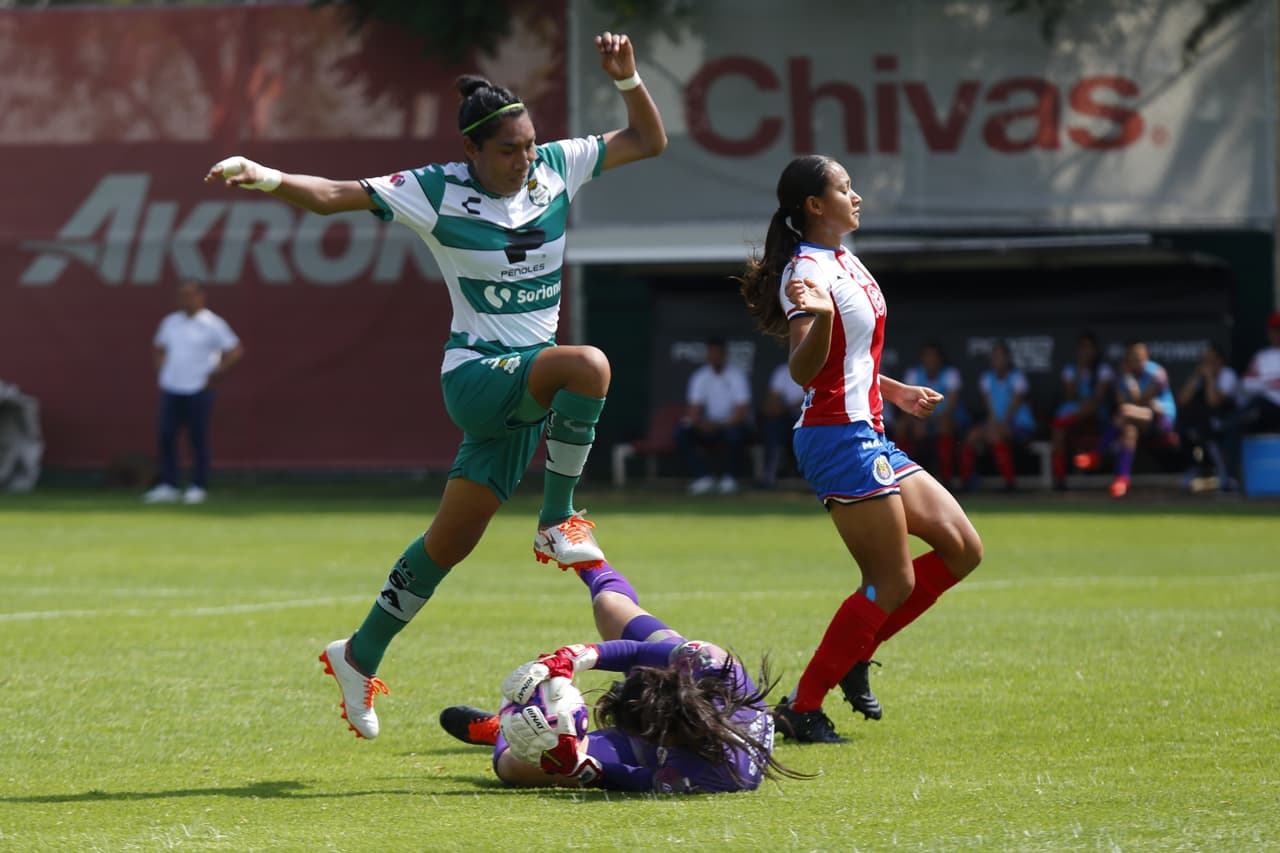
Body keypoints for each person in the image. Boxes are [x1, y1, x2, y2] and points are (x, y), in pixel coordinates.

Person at [205, 32, 667, 740]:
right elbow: (334, 196)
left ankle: (358, 654)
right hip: (480, 377)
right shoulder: (435, 188)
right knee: (591, 365)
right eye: (508, 150)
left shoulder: (554, 168)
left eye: (529, 144)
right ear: (473, 154)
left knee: (448, 543)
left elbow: (648, 140)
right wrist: (264, 174)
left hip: (524, 396)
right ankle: (558, 517)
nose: (524, 159)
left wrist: (629, 78)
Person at [736, 154, 983, 742]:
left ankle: (850, 656)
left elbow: (852, 358)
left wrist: (893, 391)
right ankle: (803, 705)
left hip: (866, 428)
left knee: (962, 549)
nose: (858, 196)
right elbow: (803, 370)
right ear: (816, 206)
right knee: (889, 581)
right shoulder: (807, 273)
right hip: (836, 436)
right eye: (846, 188)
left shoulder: (844, 259)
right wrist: (816, 318)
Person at [437, 561, 806, 793]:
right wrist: (574, 658)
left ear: (661, 737)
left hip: (660, 753)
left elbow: (626, 778)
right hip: (681, 685)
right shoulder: (710, 663)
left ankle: (507, 727)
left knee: (513, 768)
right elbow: (637, 651)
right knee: (610, 606)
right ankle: (581, 550)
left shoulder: (702, 775)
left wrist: (579, 766)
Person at [142, 279, 243, 505]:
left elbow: (234, 350)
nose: (184, 299)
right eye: (181, 295)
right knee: (166, 436)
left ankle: (198, 486)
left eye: (189, 295)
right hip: (171, 388)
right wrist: (162, 370)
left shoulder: (213, 323)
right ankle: (168, 485)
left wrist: (215, 374)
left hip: (198, 389)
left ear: (200, 296)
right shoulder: (170, 322)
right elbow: (159, 348)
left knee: (198, 439)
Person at [673, 336, 753, 495]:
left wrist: (720, 425)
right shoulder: (700, 377)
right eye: (712, 353)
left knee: (735, 434)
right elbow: (694, 410)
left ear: (724, 355)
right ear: (708, 355)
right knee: (682, 433)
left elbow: (742, 411)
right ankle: (703, 478)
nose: (715, 357)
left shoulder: (736, 375)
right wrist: (702, 424)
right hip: (708, 426)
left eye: (719, 353)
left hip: (730, 425)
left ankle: (730, 479)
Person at [959, 340, 1036, 492]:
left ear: (1008, 359)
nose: (998, 360)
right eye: (995, 357)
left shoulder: (1017, 378)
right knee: (972, 436)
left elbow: (1012, 409)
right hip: (995, 426)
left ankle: (1010, 483)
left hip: (1020, 426)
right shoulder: (987, 378)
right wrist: (991, 427)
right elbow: (991, 410)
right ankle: (965, 482)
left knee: (995, 435)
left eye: (1001, 356)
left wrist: (998, 427)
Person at [1108, 340, 1178, 498]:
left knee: (1126, 412)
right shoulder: (1125, 377)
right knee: (1129, 431)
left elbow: (1138, 401)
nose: (1136, 361)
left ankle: (1098, 452)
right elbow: (1122, 403)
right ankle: (1122, 480)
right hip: (1139, 421)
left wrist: (1129, 382)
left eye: (1139, 357)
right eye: (1132, 357)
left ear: (1146, 356)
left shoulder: (1158, 374)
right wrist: (1125, 382)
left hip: (1162, 421)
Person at [894, 342, 965, 487]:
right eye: (927, 357)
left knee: (945, 426)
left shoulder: (950, 374)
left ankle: (946, 479)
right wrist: (918, 421)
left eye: (934, 356)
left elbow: (950, 408)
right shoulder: (913, 374)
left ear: (940, 359)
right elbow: (906, 406)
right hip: (919, 419)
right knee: (902, 426)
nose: (930, 360)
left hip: (944, 420)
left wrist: (930, 420)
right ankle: (900, 477)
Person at [1049, 332, 1114, 490]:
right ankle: (1059, 480)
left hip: (1096, 418)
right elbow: (1070, 395)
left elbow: (1097, 399)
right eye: (1082, 348)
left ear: (1095, 350)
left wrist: (1084, 404)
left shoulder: (1103, 370)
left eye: (1089, 348)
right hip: (1073, 419)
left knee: (1087, 409)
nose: (1086, 352)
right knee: (1058, 433)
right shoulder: (1071, 370)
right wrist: (1080, 370)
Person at [1175, 341, 1238, 492]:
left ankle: (1226, 476)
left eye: (1212, 359)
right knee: (1182, 429)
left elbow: (1213, 402)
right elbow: (1182, 400)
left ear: (1220, 360)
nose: (1208, 363)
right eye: (1205, 359)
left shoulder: (1228, 374)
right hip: (1203, 421)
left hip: (1228, 419)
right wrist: (1196, 377)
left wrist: (1209, 378)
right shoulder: (1199, 376)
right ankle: (1193, 469)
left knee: (1209, 431)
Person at [757, 361, 807, 488]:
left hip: (808, 415)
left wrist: (788, 407)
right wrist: (781, 408)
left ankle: (812, 478)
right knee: (773, 427)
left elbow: (811, 397)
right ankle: (769, 476)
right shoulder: (782, 371)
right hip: (786, 416)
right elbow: (773, 398)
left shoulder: (815, 367)